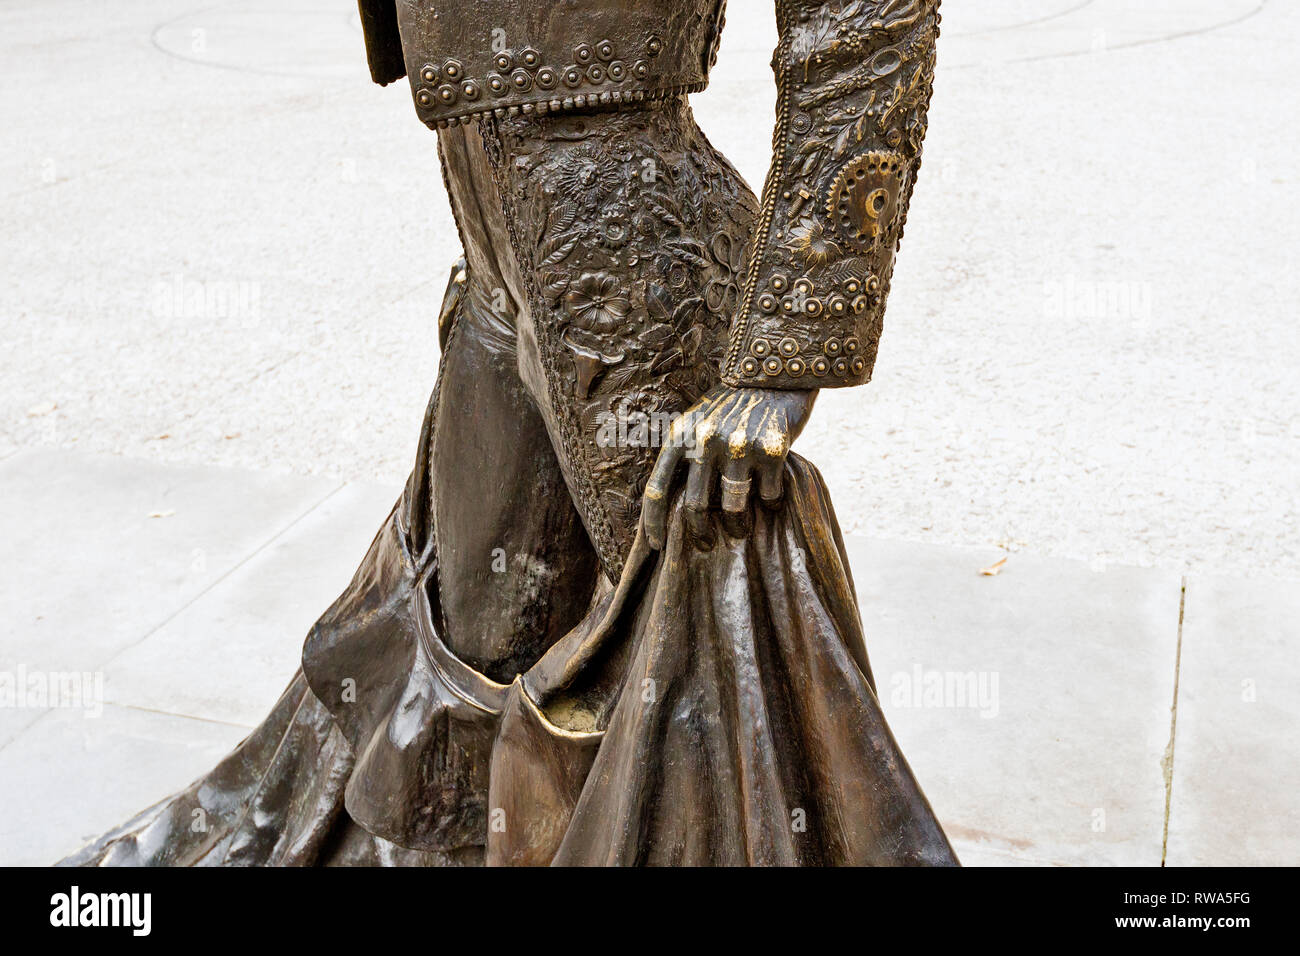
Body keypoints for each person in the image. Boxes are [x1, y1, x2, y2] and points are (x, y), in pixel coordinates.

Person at [65, 0, 957, 866]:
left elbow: (870, 20)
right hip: (502, 247)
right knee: (471, 647)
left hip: (626, 254)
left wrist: (787, 355)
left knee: (680, 681)